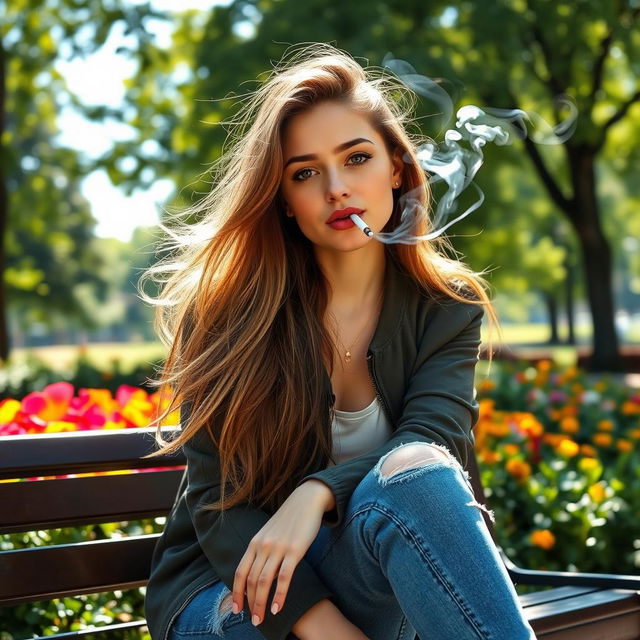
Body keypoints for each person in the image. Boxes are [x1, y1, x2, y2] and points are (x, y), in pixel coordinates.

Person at [142, 43, 536, 640]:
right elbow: (220, 504)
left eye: (356, 159)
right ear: (284, 200)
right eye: (305, 172)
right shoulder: (227, 314)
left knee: (418, 468)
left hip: (370, 572)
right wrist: (331, 631)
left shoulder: (445, 308)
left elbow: (435, 441)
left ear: (397, 168)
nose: (336, 189)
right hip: (233, 586)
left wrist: (316, 493)